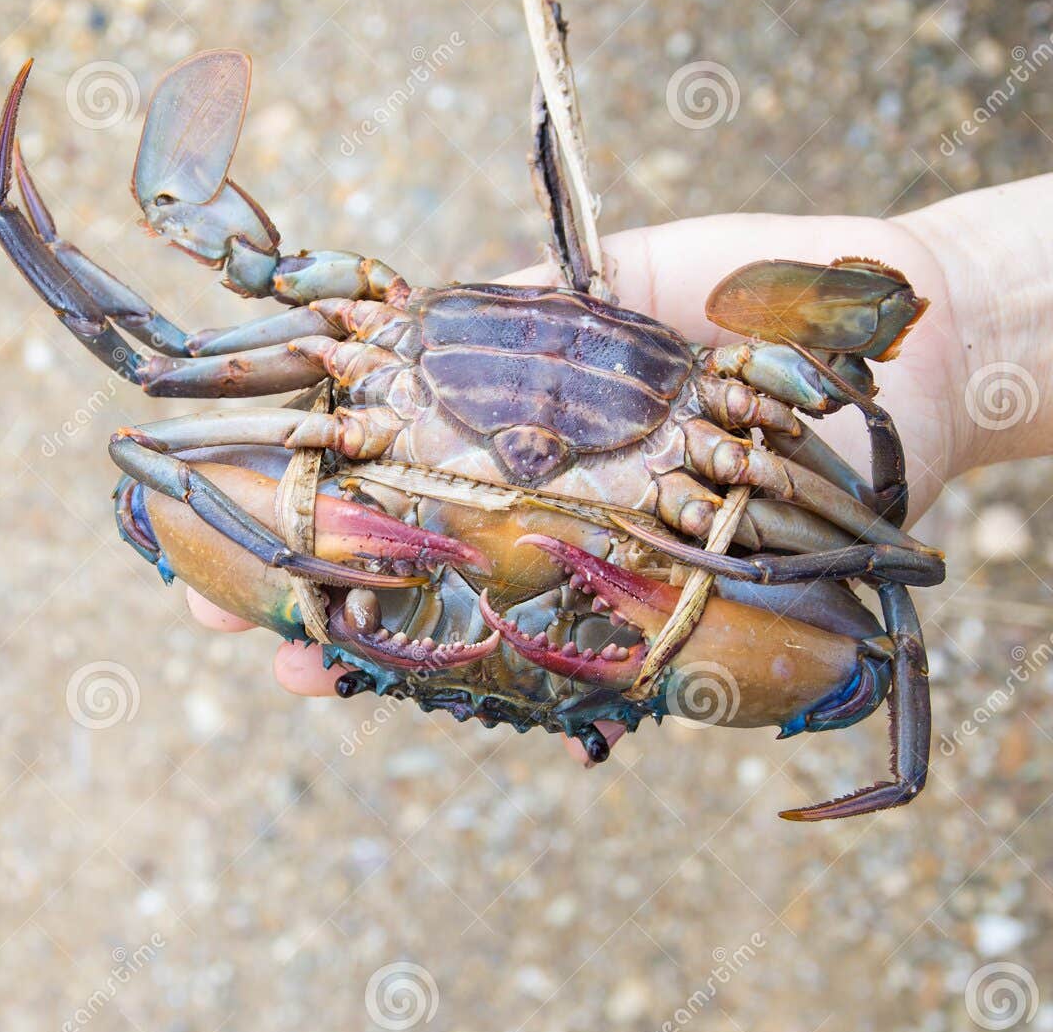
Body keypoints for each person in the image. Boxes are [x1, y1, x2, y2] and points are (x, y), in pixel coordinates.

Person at [183, 176, 1053, 760]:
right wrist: (963, 329)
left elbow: (877, 574)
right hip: (640, 414)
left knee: (877, 586)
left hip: (680, 410)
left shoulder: (732, 415)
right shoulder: (365, 346)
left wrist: (949, 338)